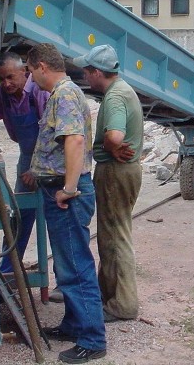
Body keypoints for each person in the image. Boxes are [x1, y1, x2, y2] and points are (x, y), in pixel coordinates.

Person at [22, 43, 106, 364]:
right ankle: (74, 324)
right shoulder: (63, 94)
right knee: (66, 262)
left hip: (65, 194)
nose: (31, 79)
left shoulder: (65, 95)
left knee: (75, 265)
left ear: (42, 66)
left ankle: (92, 339)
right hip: (57, 189)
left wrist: (68, 188)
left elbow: (74, 140)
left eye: (30, 72)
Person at [73, 45, 144, 322]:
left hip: (116, 171)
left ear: (98, 72)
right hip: (123, 170)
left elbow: (115, 136)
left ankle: (123, 305)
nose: (85, 77)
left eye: (87, 72)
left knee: (115, 237)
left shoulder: (115, 97)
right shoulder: (125, 89)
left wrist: (112, 148)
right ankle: (109, 295)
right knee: (113, 234)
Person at [0, 51, 49, 274]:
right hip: (25, 157)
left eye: (10, 77)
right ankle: (9, 268)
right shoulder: (1, 95)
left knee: (57, 219)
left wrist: (37, 167)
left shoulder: (40, 92)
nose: (6, 83)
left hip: (50, 158)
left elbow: (52, 135)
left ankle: (64, 280)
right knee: (19, 215)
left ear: (25, 71)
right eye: (1, 79)